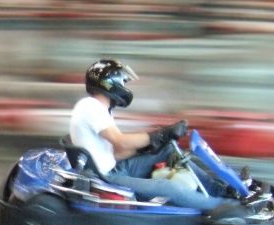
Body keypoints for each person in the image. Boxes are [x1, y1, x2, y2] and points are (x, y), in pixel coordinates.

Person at [69, 59, 239, 211]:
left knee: (168, 151)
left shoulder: (100, 109)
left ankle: (222, 191)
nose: (125, 86)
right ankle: (226, 207)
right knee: (168, 187)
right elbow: (120, 141)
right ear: (109, 82)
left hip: (114, 166)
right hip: (106, 177)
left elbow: (114, 152)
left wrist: (150, 147)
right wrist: (159, 135)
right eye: (123, 81)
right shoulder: (91, 106)